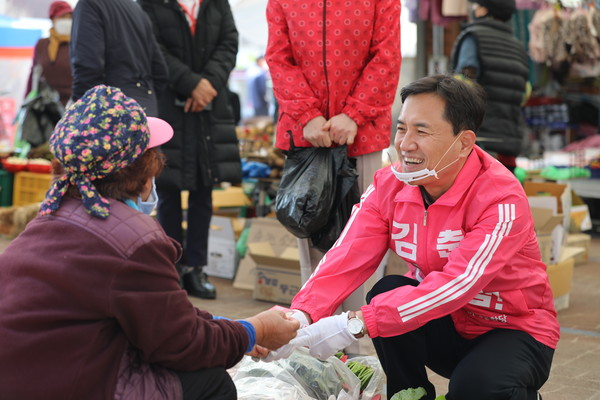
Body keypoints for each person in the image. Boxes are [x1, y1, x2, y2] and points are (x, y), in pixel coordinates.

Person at [264, 75, 559, 400]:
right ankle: (409, 394)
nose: (404, 143)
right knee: (388, 290)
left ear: (464, 142)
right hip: (444, 323)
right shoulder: (389, 185)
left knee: (475, 388)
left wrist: (353, 324)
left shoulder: (500, 198)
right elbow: (346, 255)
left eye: (421, 131)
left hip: (511, 329)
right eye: (402, 128)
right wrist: (301, 316)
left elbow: (459, 282)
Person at [0, 85, 300, 400]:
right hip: (70, 385)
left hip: (30, 377)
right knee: (211, 382)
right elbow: (184, 345)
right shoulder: (134, 240)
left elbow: (161, 312)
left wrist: (232, 328)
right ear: (142, 171)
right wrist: (255, 330)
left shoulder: (51, 216)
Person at [265, 0, 402, 344]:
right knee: (311, 243)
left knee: (367, 240)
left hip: (364, 135)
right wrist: (306, 114)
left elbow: (386, 56)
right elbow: (279, 59)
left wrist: (354, 115)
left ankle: (362, 341)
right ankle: (312, 340)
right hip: (306, 137)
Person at [139, 0, 241, 300]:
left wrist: (208, 84)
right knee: (167, 188)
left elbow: (229, 42)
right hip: (169, 105)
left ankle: (196, 267)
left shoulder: (216, 3)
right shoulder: (150, 4)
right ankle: (170, 268)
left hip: (209, 108)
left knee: (204, 189)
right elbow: (153, 48)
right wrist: (191, 83)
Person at [450, 0, 529, 173]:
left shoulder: (474, 38)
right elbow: (524, 95)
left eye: (475, 5)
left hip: (480, 142)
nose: (472, 9)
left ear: (484, 9)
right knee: (500, 197)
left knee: (474, 197)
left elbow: (462, 88)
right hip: (509, 144)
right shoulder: (518, 47)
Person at [70, 0, 169, 117]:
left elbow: (88, 67)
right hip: (146, 111)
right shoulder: (137, 10)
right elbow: (161, 72)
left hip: (109, 116)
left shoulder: (90, 4)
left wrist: (81, 111)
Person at [26, 0, 73, 107]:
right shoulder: (42, 45)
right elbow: (33, 75)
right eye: (62, 17)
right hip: (45, 107)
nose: (67, 21)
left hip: (72, 105)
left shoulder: (78, 45)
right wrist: (27, 100)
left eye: (69, 17)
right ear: (53, 19)